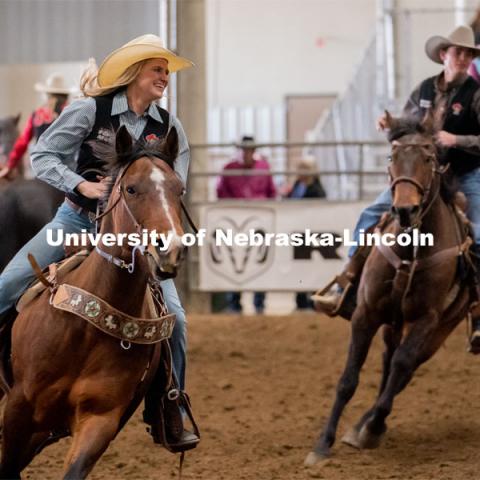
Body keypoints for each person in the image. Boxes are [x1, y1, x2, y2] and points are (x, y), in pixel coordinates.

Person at [0, 34, 200, 449]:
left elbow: (176, 181)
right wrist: (82, 187)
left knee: (176, 319)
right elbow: (43, 156)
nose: (165, 77)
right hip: (75, 220)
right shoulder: (90, 110)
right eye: (157, 69)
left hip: (137, 238)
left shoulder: (169, 126)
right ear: (134, 73)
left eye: (166, 70)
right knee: (6, 285)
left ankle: (170, 406)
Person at [313, 25, 480, 352]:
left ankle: (477, 311)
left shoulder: (476, 94)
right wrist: (390, 125)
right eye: (457, 52)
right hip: (424, 176)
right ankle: (348, 282)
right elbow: (407, 130)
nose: (462, 58)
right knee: (370, 215)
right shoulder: (423, 90)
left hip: (466, 174)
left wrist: (456, 140)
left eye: (468, 53)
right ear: (444, 55)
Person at [217, 135, 276, 314]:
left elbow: (272, 192)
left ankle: (259, 302)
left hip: (259, 222)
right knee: (234, 260)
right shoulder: (229, 168)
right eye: (243, 149)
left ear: (254, 151)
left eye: (249, 149)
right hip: (235, 221)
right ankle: (234, 302)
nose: (246, 152)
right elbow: (221, 192)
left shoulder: (263, 167)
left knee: (258, 259)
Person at [0, 73, 76, 179]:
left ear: (46, 95)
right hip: (66, 169)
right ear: (66, 95)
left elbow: (22, 142)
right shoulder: (72, 113)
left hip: (41, 168)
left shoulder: (37, 114)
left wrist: (10, 165)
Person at [286, 155, 326, 310]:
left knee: (313, 267)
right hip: (297, 231)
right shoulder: (297, 185)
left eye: (304, 169)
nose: (301, 172)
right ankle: (301, 300)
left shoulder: (317, 190)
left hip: (312, 232)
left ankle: (313, 300)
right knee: (299, 267)